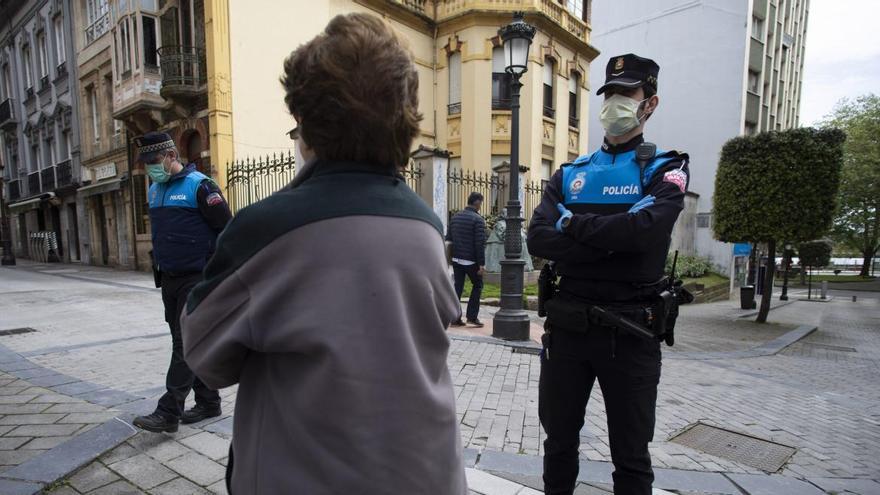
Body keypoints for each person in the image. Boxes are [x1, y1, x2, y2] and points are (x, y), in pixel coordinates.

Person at [180, 13, 466, 494]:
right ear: (405, 121)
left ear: (305, 123)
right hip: (427, 475)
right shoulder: (427, 227)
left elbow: (206, 357)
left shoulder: (265, 229)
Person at [527, 53, 690, 495]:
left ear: (649, 103)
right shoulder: (571, 173)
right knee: (558, 443)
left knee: (631, 455)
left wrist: (571, 225)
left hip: (632, 333)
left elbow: (645, 232)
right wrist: (613, 239)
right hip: (569, 330)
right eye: (610, 93)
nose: (616, 102)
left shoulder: (666, 169)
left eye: (627, 93)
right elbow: (538, 240)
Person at [132, 132, 231, 433]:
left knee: (184, 341)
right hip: (169, 278)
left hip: (197, 277)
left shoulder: (200, 186)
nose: (150, 167)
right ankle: (208, 401)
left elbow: (227, 230)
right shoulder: (155, 191)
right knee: (188, 338)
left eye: (153, 161)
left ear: (171, 156)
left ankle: (168, 411)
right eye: (146, 163)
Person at [447, 191, 487, 327]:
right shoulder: (478, 220)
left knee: (458, 287)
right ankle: (472, 317)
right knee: (478, 285)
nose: (480, 206)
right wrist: (481, 264)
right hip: (471, 261)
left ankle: (455, 317)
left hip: (456, 259)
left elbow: (448, 239)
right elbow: (479, 243)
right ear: (477, 203)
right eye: (481, 203)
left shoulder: (455, 217)